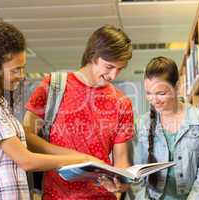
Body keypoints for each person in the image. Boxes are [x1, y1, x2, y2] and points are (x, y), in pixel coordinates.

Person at [0, 22, 103, 200]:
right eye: (16, 69)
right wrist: (80, 160)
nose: (22, 75)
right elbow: (26, 160)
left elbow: (33, 150)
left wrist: (84, 157)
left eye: (23, 68)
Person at [23, 25, 135, 200]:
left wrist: (121, 183)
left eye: (120, 69)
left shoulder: (122, 103)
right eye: (109, 67)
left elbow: (121, 159)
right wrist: (76, 158)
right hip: (56, 195)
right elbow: (26, 136)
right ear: (92, 56)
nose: (113, 75)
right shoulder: (52, 86)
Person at [132, 57, 199, 200]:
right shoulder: (142, 124)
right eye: (148, 93)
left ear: (176, 87)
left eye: (161, 93)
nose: (154, 100)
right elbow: (136, 177)